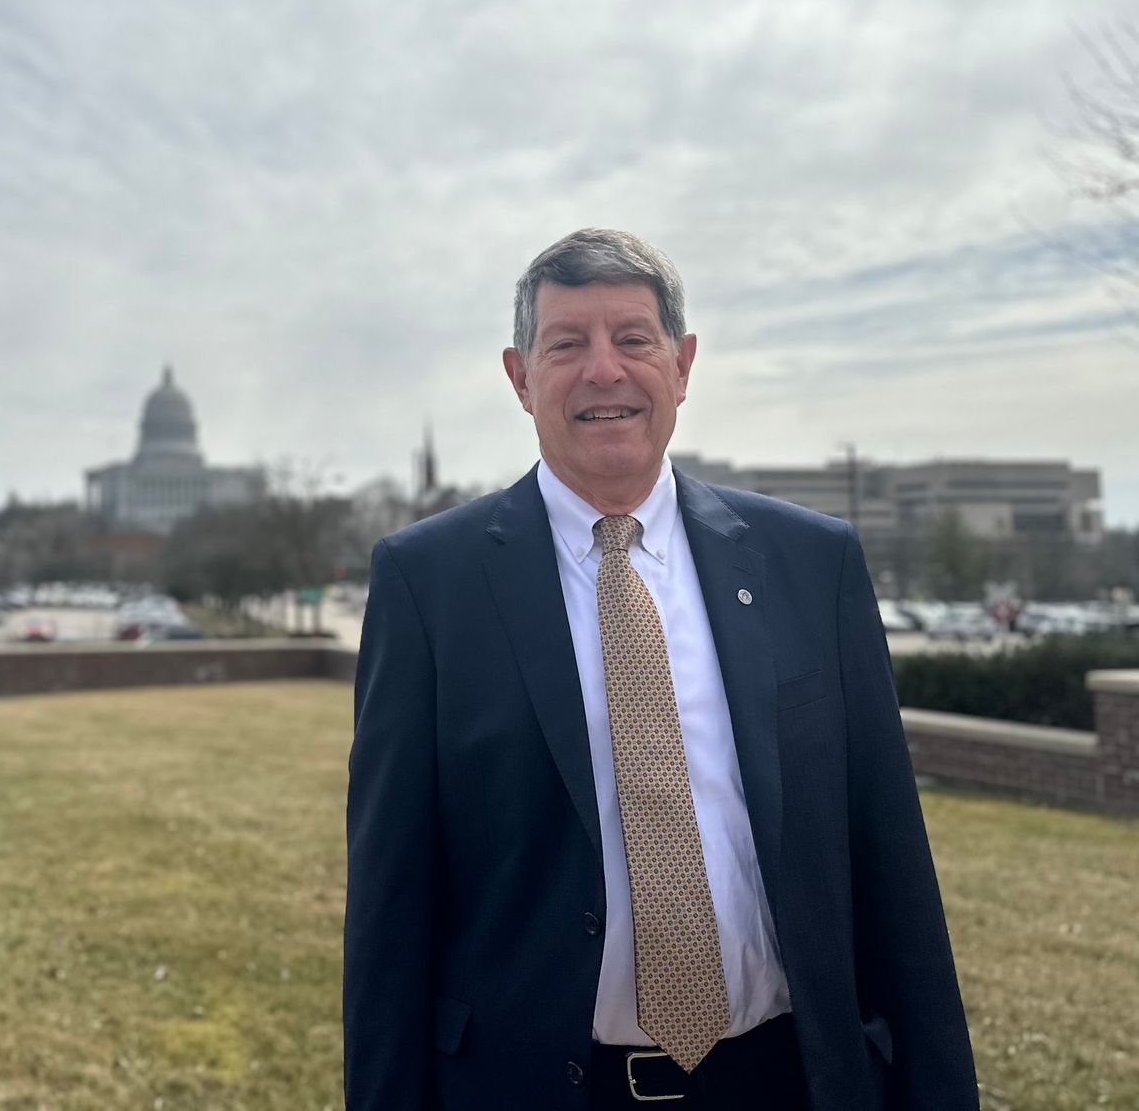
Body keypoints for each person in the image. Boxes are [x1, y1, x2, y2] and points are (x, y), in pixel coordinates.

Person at [343, 228, 976, 1110]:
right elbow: (390, 901)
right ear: (520, 378)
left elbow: (890, 855)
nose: (604, 370)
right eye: (567, 343)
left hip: (790, 1080)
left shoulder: (811, 562)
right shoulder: (427, 583)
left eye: (633, 338)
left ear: (681, 366)